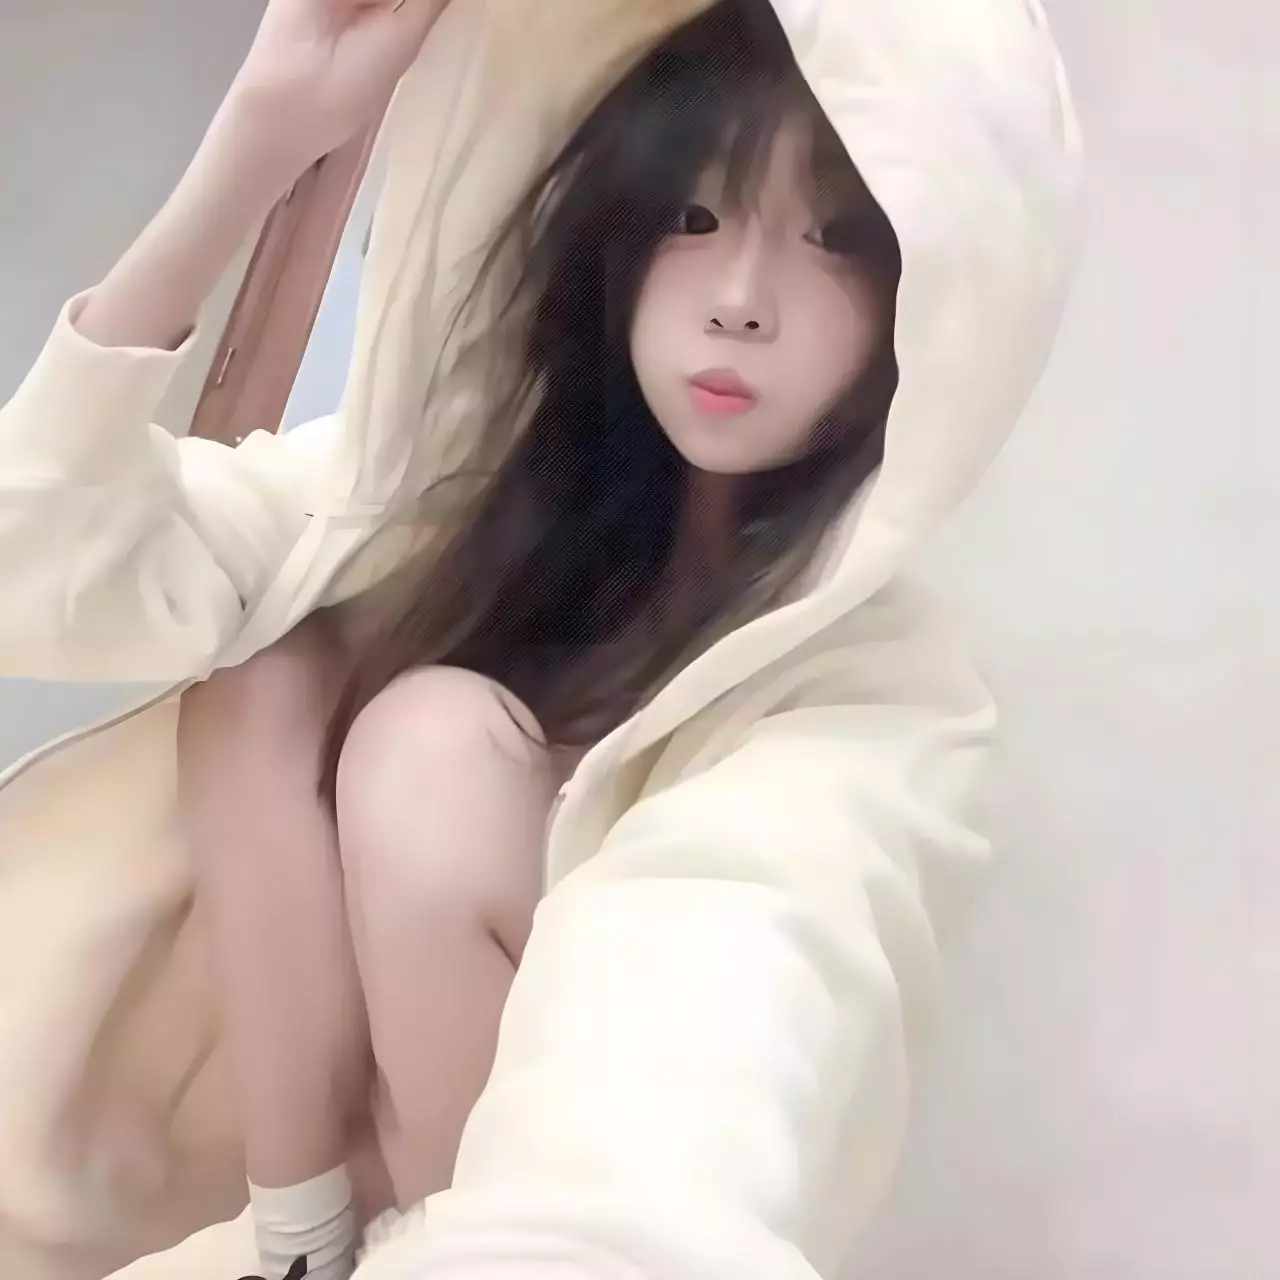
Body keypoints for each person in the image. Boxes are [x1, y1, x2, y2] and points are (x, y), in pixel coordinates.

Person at [0, 1, 1083, 1279]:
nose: (740, 301)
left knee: (430, 742)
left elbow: (714, 1028)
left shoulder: (874, 703)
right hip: (285, 1221)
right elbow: (36, 563)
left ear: (928, 301)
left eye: (834, 240)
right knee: (269, 668)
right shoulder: (417, 506)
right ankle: (300, 1238)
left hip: (493, 1233)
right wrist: (266, 134)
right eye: (694, 217)